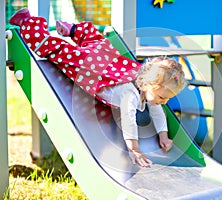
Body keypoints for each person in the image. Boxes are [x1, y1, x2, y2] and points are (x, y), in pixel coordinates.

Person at [10, 8, 187, 168]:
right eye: (163, 97)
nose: (164, 102)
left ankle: (73, 30)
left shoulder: (149, 88)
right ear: (149, 85)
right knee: (55, 51)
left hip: (104, 59)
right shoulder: (130, 94)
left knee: (97, 42)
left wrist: (163, 135)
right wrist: (134, 149)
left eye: (167, 98)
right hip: (89, 68)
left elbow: (157, 112)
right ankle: (27, 22)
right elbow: (129, 121)